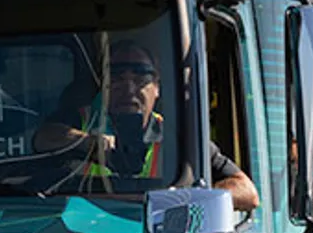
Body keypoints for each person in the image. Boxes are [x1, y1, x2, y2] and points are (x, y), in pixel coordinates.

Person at [33, 39, 259, 211]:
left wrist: (184, 200)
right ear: (104, 85)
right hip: (82, 232)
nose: (128, 87)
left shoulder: (178, 136)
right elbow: (44, 138)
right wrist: (91, 144)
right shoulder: (81, 120)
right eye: (117, 76)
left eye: (141, 76)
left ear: (157, 87)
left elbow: (247, 193)